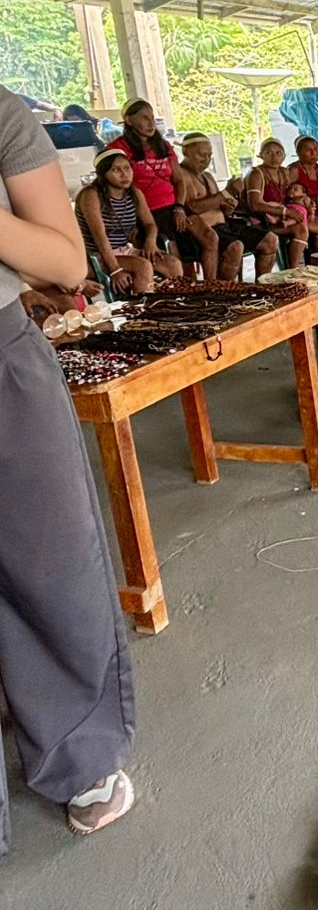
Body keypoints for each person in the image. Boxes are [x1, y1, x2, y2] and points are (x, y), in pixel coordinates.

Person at [0, 83, 136, 846]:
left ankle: (78, 755)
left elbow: (64, 261)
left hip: (2, 361)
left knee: (46, 564)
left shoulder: (1, 115)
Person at [75, 149, 182, 294]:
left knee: (173, 263)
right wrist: (115, 270)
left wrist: (150, 241)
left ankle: (177, 304)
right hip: (95, 256)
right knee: (143, 266)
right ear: (103, 173)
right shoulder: (91, 194)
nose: (124, 174)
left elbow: (150, 224)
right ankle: (144, 305)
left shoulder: (134, 193)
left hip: (124, 250)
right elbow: (100, 237)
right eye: (116, 170)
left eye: (127, 168)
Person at [179, 133, 277, 282]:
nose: (206, 160)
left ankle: (261, 287)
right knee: (235, 247)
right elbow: (193, 207)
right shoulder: (181, 175)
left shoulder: (208, 176)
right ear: (186, 152)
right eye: (202, 155)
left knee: (270, 240)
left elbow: (217, 204)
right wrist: (226, 192)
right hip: (203, 232)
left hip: (226, 226)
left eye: (209, 156)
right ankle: (223, 289)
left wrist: (228, 207)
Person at [109, 98, 195, 262]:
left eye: (152, 118)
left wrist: (179, 207)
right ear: (129, 120)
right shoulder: (118, 148)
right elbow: (117, 185)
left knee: (208, 237)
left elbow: (178, 180)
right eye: (144, 118)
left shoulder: (163, 145)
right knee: (173, 249)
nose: (151, 123)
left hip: (173, 206)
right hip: (148, 210)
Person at [245, 139, 307, 268]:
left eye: (278, 153)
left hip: (278, 219)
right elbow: (254, 205)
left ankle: (294, 270)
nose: (274, 157)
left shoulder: (284, 172)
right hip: (260, 222)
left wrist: (304, 202)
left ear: (284, 156)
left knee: (303, 227)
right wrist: (286, 212)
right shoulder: (256, 174)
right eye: (269, 153)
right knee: (300, 228)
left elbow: (289, 197)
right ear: (261, 155)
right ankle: (291, 270)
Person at [289, 135, 318, 252]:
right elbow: (287, 196)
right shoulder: (294, 170)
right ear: (299, 153)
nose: (314, 153)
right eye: (309, 150)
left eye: (316, 149)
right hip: (304, 214)